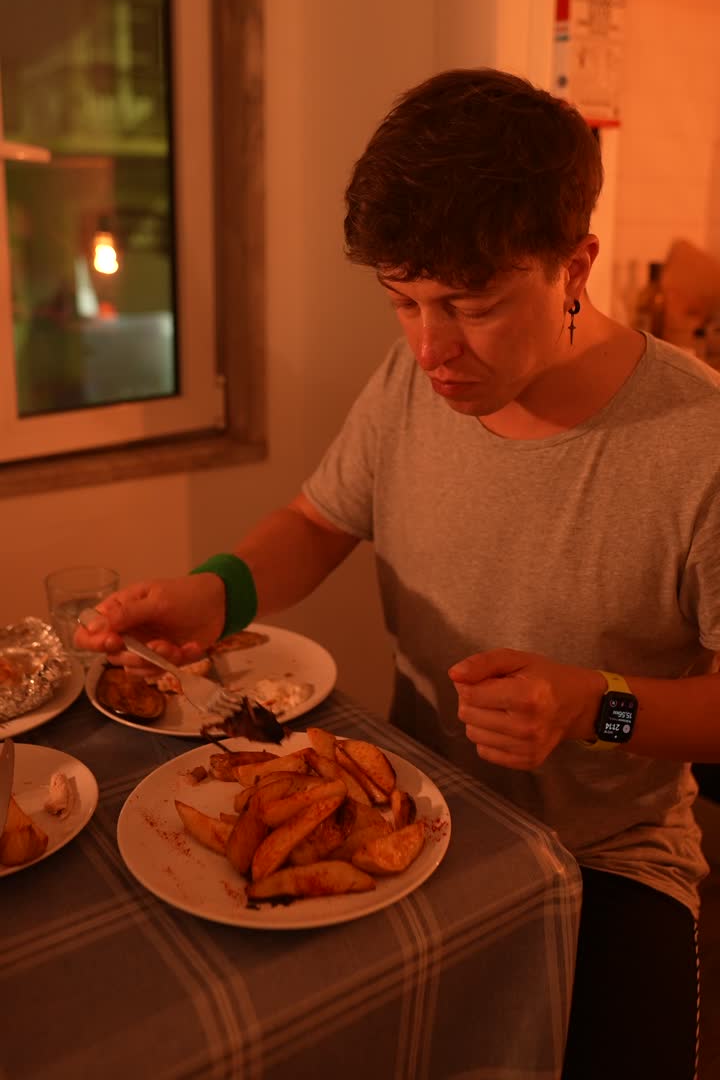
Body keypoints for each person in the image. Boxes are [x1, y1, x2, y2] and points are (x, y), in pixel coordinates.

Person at [78, 68, 720, 1080]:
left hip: (611, 860)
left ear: (574, 264)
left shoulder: (698, 441)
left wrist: (599, 705)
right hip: (408, 816)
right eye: (403, 300)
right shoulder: (414, 382)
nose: (431, 348)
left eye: (470, 304)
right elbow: (317, 518)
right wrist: (215, 591)